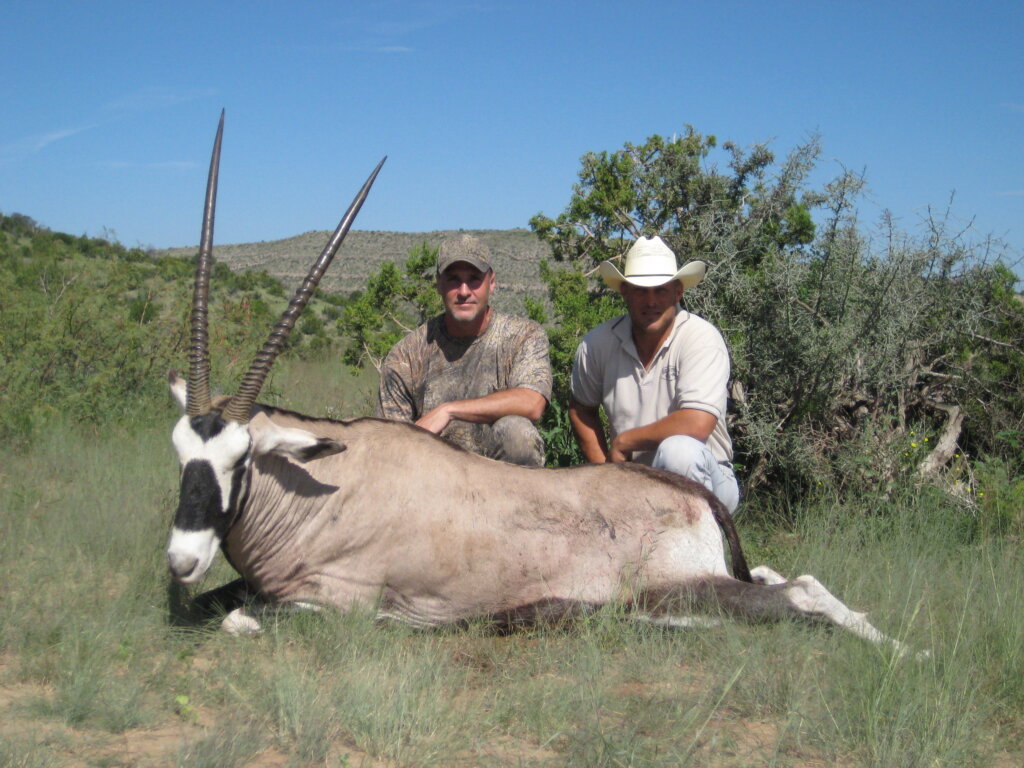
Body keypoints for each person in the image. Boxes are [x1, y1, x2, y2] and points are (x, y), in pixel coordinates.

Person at [568, 235, 740, 514]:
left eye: (660, 290)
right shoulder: (597, 343)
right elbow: (580, 408)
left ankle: (693, 549)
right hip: (634, 480)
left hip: (709, 477)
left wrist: (624, 442)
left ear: (678, 291)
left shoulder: (700, 338)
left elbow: (697, 423)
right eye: (640, 290)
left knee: (679, 452)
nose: (650, 301)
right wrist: (605, 476)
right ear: (624, 291)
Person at [376, 234, 552, 466]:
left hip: (501, 482)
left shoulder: (524, 336)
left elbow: (532, 402)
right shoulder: (406, 355)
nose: (464, 291)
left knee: (517, 433)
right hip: (432, 479)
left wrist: (448, 411)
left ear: (491, 283)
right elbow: (388, 443)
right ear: (438, 284)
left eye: (474, 279)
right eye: (453, 280)